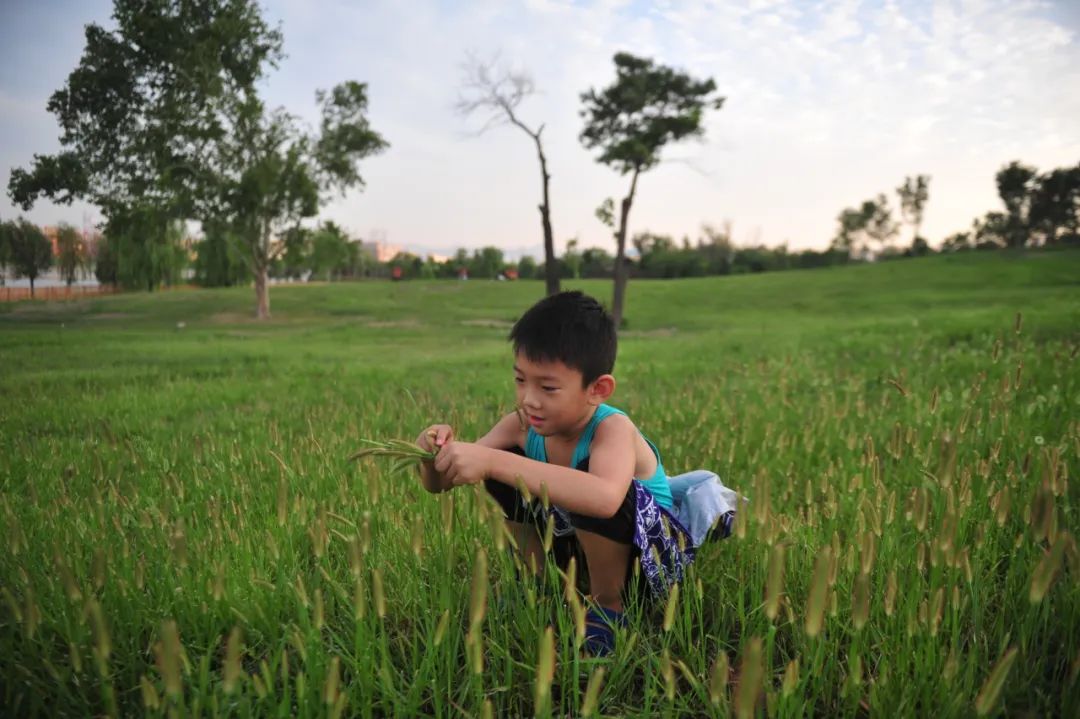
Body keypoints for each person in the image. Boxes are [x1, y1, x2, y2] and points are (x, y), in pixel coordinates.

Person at [415, 290, 737, 656]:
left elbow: (603, 499)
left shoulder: (612, 429)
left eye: (548, 387)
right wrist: (431, 456)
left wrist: (493, 461)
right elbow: (441, 484)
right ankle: (541, 582)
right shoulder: (521, 426)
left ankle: (610, 608)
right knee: (504, 464)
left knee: (575, 481)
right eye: (521, 380)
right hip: (580, 546)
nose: (528, 399)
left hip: (650, 561)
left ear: (597, 389)